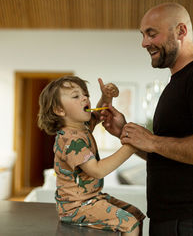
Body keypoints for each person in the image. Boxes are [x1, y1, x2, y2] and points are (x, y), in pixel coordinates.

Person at [101, 2, 193, 236]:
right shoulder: (177, 82)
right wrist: (126, 132)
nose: (144, 42)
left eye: (152, 33)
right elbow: (168, 155)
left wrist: (152, 141)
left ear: (181, 31)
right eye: (143, 35)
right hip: (172, 220)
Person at [38, 75, 145, 236]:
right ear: (60, 110)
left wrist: (106, 97)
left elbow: (101, 111)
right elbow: (97, 171)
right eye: (76, 96)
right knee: (129, 224)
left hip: (92, 199)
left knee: (136, 214)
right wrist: (131, 145)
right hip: (75, 207)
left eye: (85, 94)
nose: (84, 98)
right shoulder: (70, 139)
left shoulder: (82, 127)